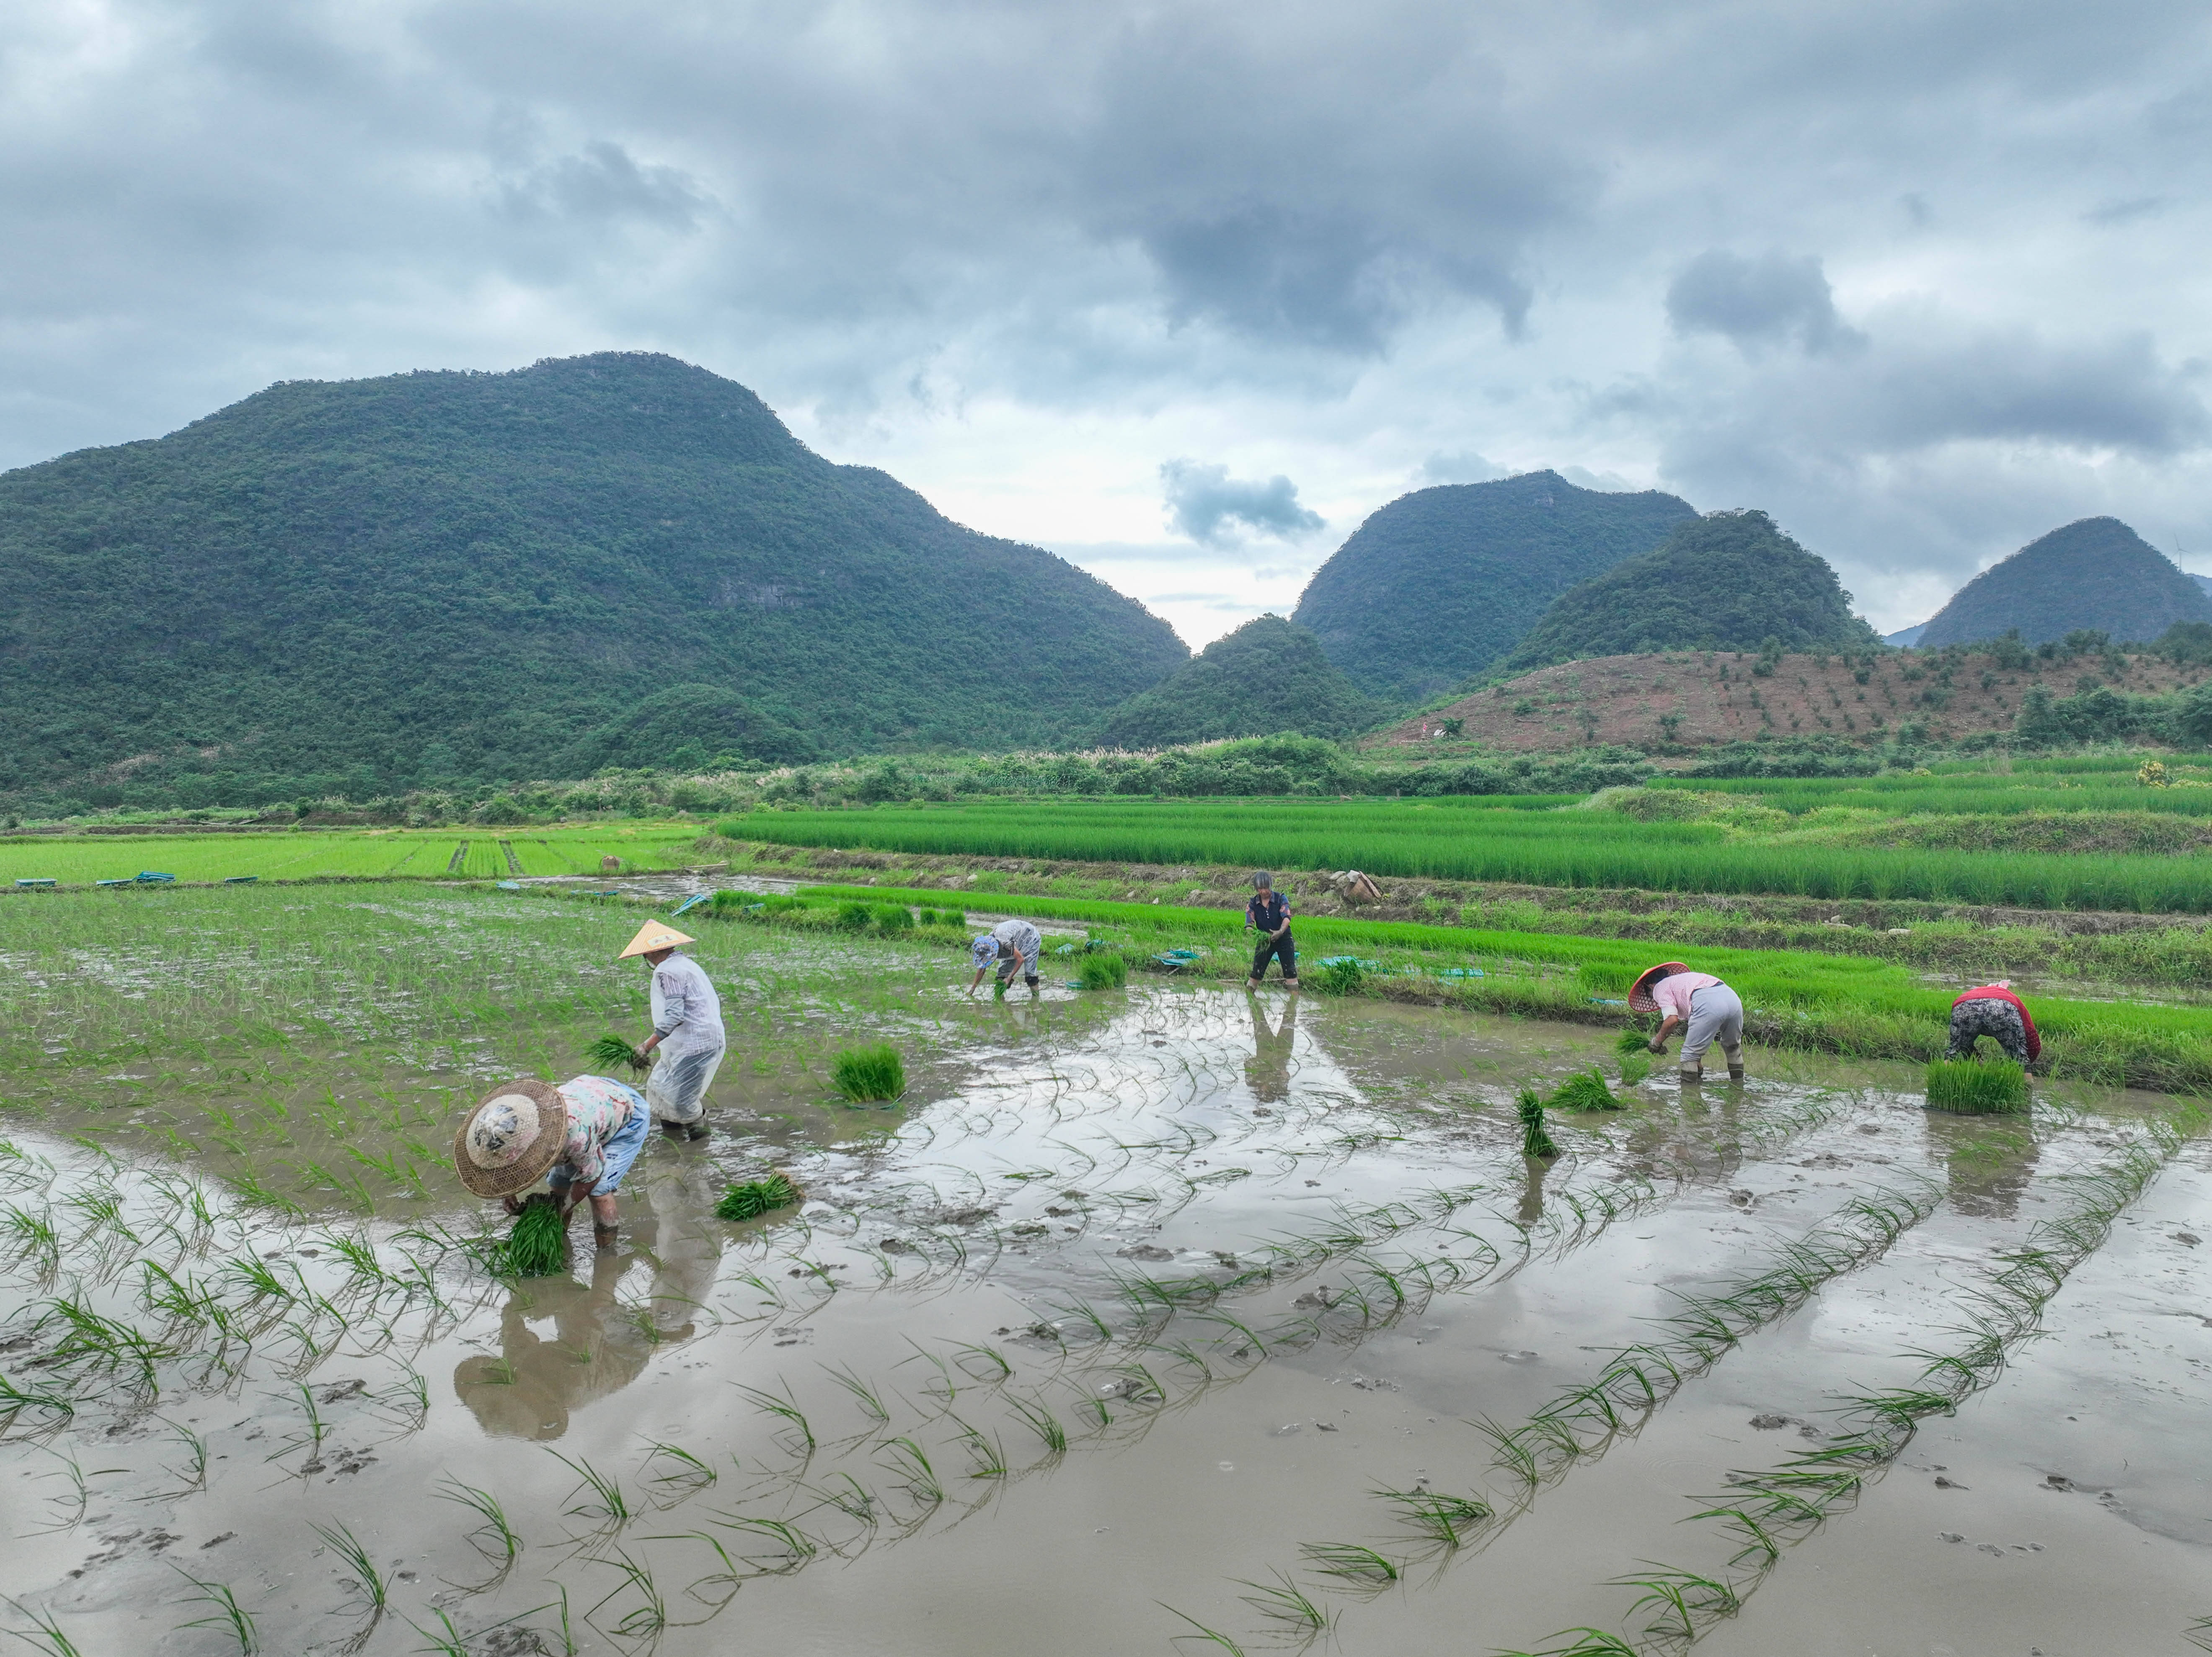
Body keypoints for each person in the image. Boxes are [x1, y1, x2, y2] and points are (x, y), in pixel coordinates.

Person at [454, 1074, 651, 1251]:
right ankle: (558, 1243)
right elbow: (503, 1160)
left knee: (600, 1191)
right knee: (558, 1185)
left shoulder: (574, 1136)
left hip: (626, 1112)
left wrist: (561, 1208)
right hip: (590, 1094)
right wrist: (508, 1194)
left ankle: (607, 1252)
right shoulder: (520, 1123)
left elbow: (592, 1175)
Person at [619, 920, 726, 1142]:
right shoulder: (686, 964)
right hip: (697, 1040)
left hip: (695, 1045)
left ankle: (701, 1144)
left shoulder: (667, 971)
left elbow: (675, 1016)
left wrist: (645, 1047)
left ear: (650, 953)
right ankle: (672, 1141)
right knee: (660, 1088)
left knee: (681, 1100)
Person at [1630, 960, 1744, 1084]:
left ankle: (1689, 1099)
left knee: (1688, 1057)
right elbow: (1697, 1032)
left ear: (1651, 986)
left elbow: (1672, 1020)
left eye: (1651, 996)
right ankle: (1738, 1087)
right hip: (1733, 1000)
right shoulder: (1682, 981)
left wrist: (1656, 1042)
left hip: (1708, 1003)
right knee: (1732, 1047)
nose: (1655, 999)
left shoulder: (1659, 988)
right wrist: (1698, 1061)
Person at [1946, 980, 2041, 1066]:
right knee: (2019, 1054)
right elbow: (2029, 1029)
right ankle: (2028, 1082)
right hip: (2003, 1008)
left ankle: (1942, 1078)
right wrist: (2029, 1059)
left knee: (1957, 1048)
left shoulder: (1975, 991)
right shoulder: (2009, 995)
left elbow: (1956, 1008)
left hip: (1964, 1006)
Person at [1245, 871, 1299, 990]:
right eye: (1260, 889)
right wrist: (1254, 935)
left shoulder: (1280, 898)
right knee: (1256, 972)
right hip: (1265, 940)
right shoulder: (1253, 903)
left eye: (1266, 888)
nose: (1264, 891)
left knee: (1290, 971)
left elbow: (1287, 917)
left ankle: (1294, 1004)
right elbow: (1249, 923)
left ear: (1271, 886)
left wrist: (1280, 932)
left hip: (1284, 939)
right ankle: (1250, 999)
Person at [968, 917, 1042, 996]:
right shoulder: (985, 946)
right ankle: (1000, 1001)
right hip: (1014, 940)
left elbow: (1020, 960)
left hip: (1030, 937)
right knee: (1002, 976)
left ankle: (1036, 999)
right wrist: (972, 990)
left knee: (1030, 976)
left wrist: (1009, 978)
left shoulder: (1005, 943)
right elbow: (982, 970)